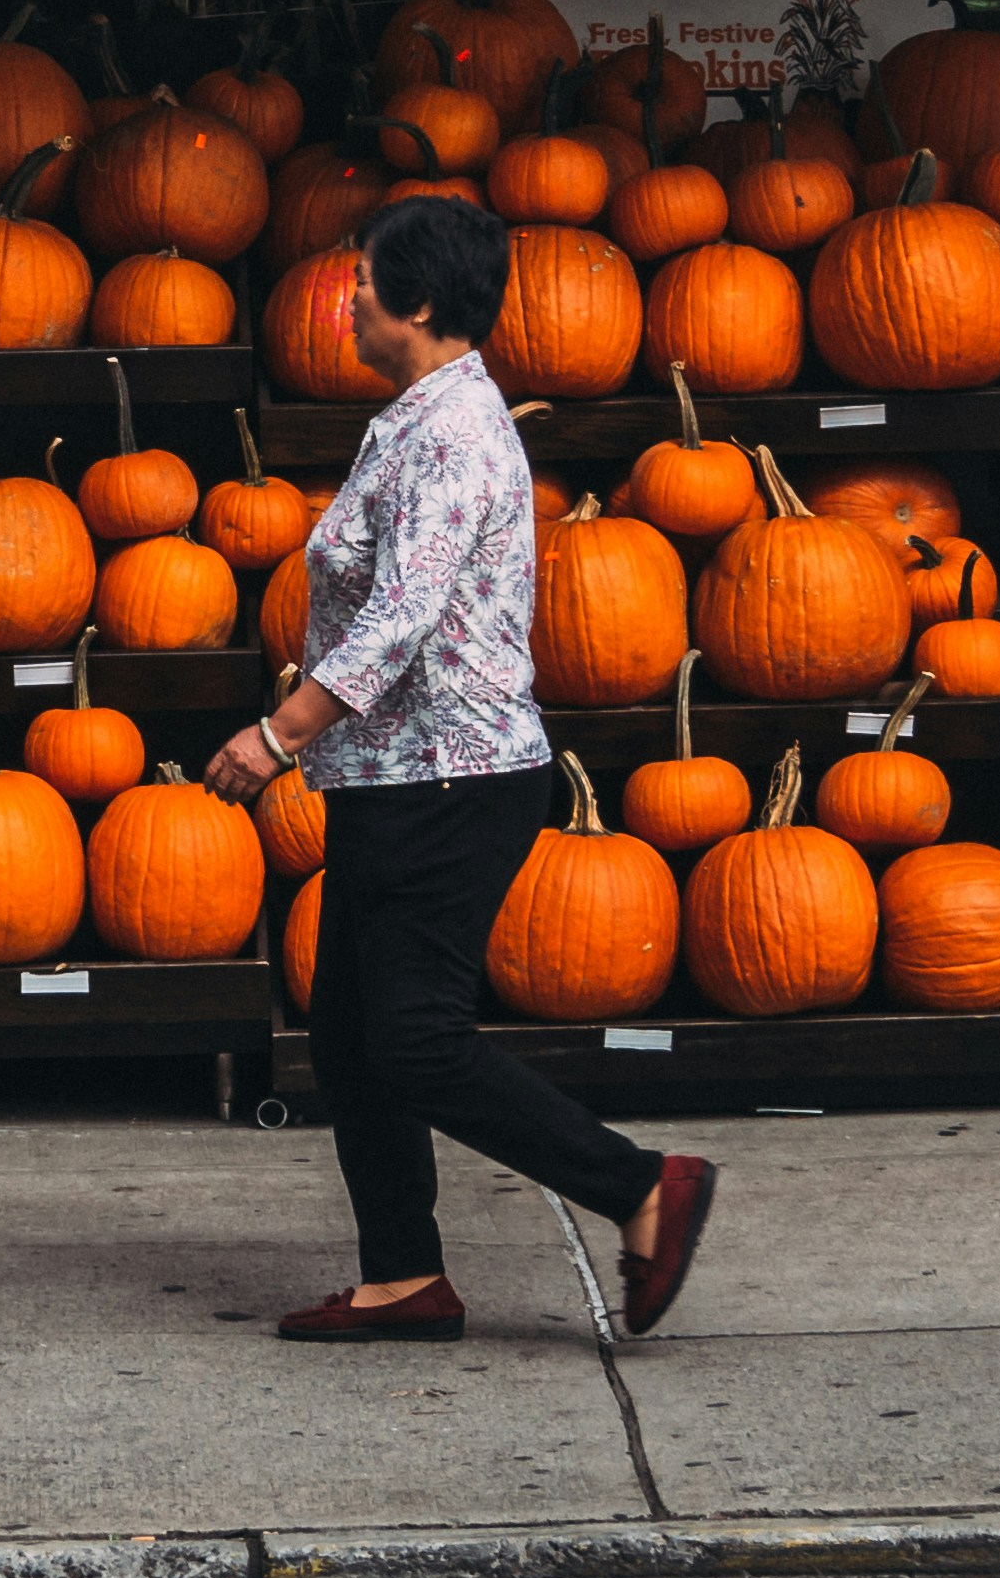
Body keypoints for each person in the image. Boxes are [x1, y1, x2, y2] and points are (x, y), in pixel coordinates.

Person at [208, 198, 717, 1342]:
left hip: (453, 776)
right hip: (399, 775)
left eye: (364, 282)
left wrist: (278, 733)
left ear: (421, 301)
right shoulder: (417, 417)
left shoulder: (451, 431)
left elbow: (401, 615)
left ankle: (640, 1188)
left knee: (412, 1037)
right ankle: (402, 1276)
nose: (346, 297)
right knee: (346, 1030)